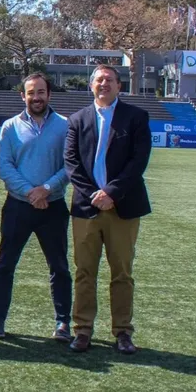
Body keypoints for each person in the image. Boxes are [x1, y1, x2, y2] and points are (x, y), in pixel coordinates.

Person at [64, 65, 151, 354]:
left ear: (119, 86)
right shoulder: (77, 120)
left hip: (123, 207)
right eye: (99, 80)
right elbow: (72, 164)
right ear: (91, 85)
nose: (104, 84)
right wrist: (95, 195)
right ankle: (82, 330)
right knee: (84, 272)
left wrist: (111, 192)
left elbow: (138, 161)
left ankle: (123, 331)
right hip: (86, 209)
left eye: (109, 80)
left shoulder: (136, 117)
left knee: (122, 273)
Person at [0, 73, 71, 341]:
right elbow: (5, 167)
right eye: (31, 92)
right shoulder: (10, 127)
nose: (36, 97)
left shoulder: (65, 126)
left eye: (41, 92)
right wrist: (30, 192)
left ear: (49, 94)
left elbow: (69, 166)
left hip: (53, 207)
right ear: (22, 96)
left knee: (59, 267)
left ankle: (63, 323)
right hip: (18, 206)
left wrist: (46, 189)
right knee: (5, 265)